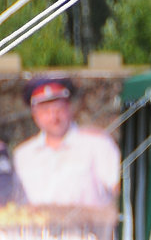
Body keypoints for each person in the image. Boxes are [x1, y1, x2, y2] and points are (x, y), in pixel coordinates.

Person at [13, 76, 120, 209]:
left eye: (58, 109)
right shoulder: (23, 155)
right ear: (35, 114)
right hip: (37, 229)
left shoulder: (97, 144)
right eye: (45, 111)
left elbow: (119, 189)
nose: (54, 117)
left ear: (70, 108)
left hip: (86, 228)